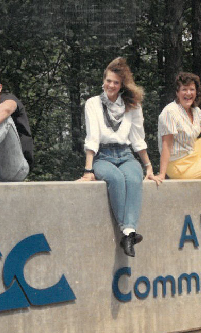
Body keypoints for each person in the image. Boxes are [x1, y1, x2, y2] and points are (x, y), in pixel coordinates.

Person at [77, 58, 157, 257]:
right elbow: (92, 137)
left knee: (133, 178)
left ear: (122, 86)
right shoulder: (93, 104)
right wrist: (88, 170)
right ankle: (129, 232)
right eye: (108, 81)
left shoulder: (132, 106)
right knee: (115, 179)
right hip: (103, 156)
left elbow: (138, 138)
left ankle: (127, 234)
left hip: (126, 154)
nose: (111, 85)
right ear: (103, 80)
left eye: (116, 82)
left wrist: (148, 166)